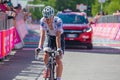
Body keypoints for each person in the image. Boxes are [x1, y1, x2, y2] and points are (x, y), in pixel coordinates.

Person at [35, 6, 65, 80]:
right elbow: (42, 35)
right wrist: (39, 47)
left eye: (49, 18)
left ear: (53, 16)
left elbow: (58, 36)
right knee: (46, 54)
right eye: (46, 18)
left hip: (59, 38)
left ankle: (58, 78)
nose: (47, 20)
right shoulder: (43, 21)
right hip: (49, 37)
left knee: (58, 59)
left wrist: (58, 49)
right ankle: (47, 68)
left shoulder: (58, 21)